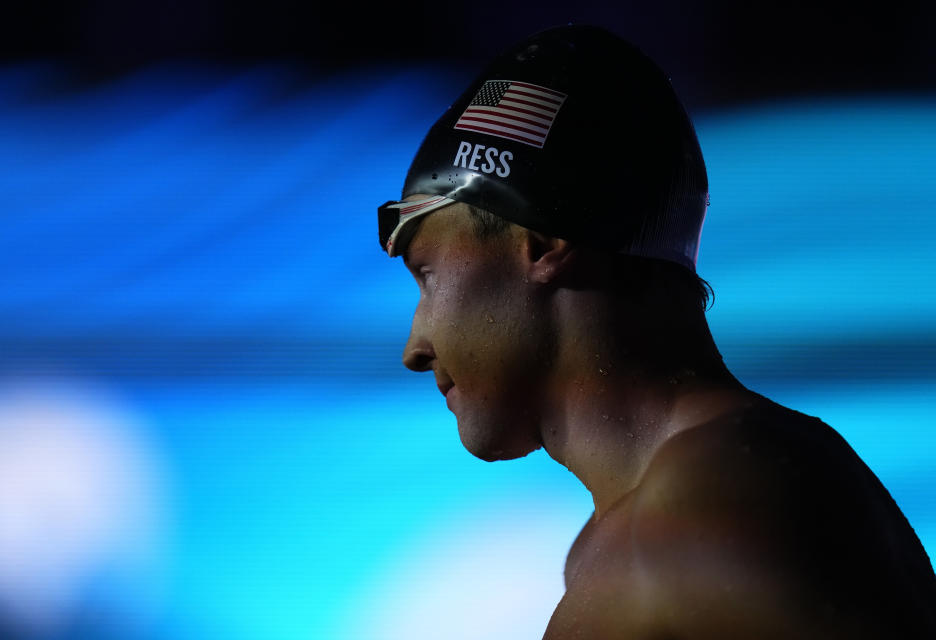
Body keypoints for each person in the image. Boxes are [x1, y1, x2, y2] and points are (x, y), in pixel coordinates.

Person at [376, 25, 936, 638]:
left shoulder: (726, 493)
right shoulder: (635, 532)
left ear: (540, 243)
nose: (414, 349)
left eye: (427, 275)